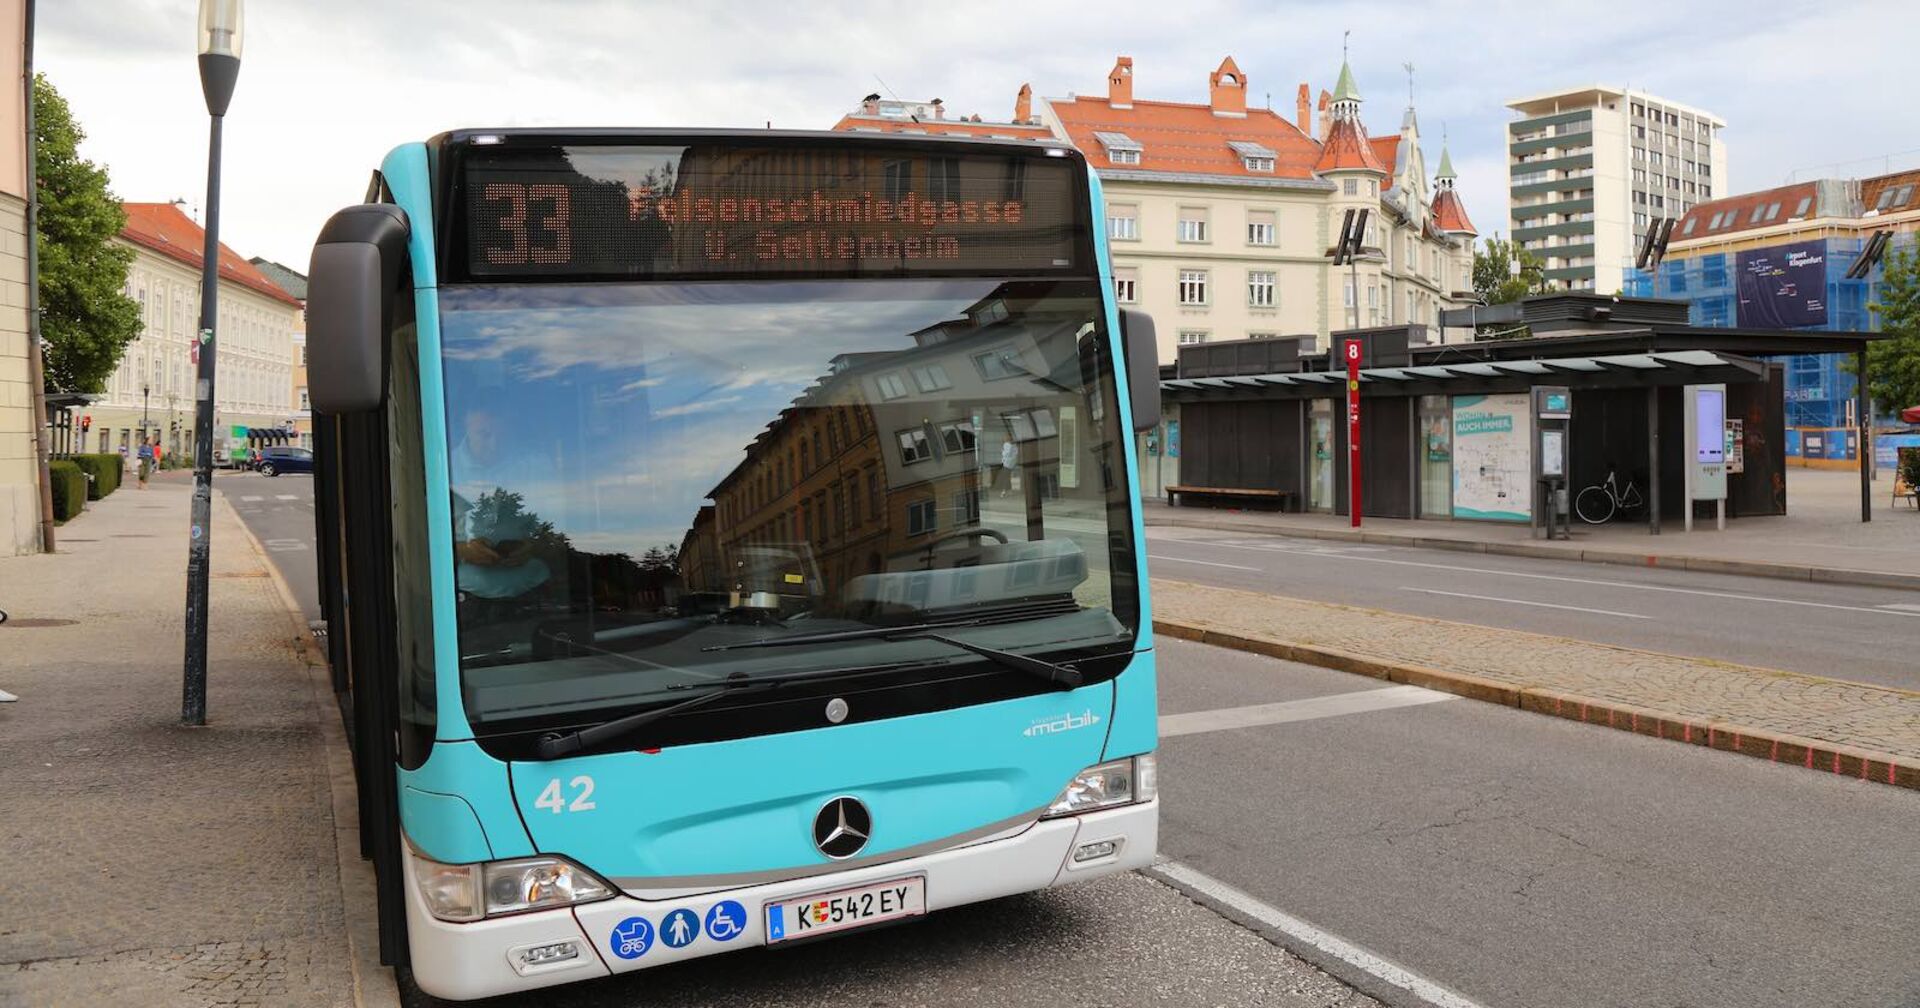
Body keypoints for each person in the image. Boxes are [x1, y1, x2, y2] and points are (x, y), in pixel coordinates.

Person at [450, 400, 551, 601]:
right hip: (461, 601)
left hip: (535, 593)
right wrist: (463, 550)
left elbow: (559, 528)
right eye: (484, 435)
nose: (494, 445)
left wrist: (533, 546)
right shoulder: (445, 469)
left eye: (503, 436)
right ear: (465, 427)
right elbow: (420, 541)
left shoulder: (535, 467)